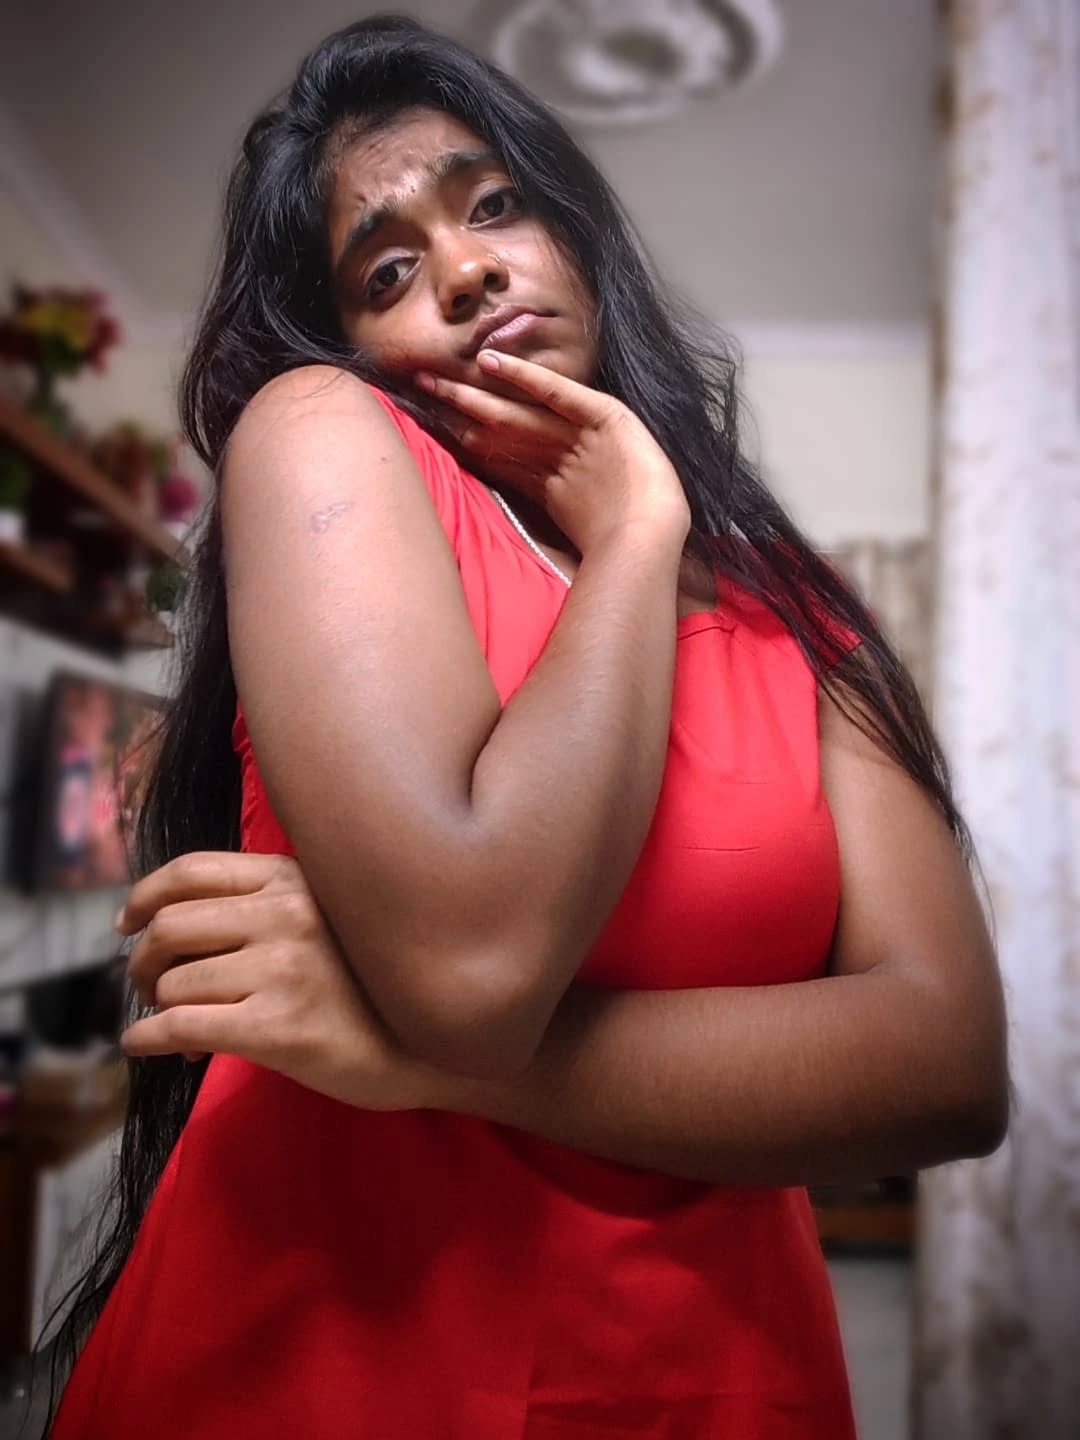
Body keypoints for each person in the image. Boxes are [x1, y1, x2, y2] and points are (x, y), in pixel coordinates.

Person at [42, 16, 1008, 1439]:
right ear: (348, 341)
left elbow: (948, 1067)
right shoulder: (321, 434)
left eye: (496, 205)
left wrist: (417, 1054)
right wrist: (632, 545)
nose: (466, 268)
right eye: (386, 269)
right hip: (329, 1367)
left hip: (715, 1382)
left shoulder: (801, 617)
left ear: (577, 236)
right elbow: (475, 965)